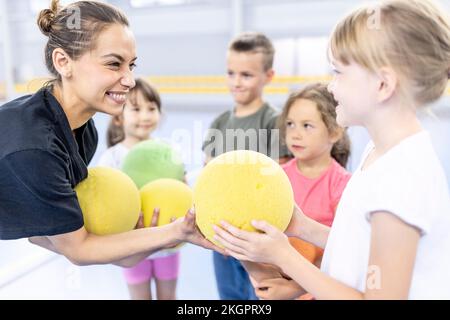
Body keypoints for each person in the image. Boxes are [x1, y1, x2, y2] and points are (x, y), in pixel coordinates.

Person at [213, 0, 450, 299]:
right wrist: (301, 227)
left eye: (339, 72)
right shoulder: (381, 153)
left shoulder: (402, 178)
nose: (331, 86)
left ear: (383, 85)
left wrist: (285, 257)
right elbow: (359, 246)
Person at [0, 0, 220, 267]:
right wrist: (173, 231)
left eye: (131, 65)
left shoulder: (84, 131)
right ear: (63, 62)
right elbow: (78, 249)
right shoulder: (37, 148)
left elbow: (44, 232)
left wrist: (148, 239)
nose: (130, 80)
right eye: (114, 64)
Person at [201, 32, 290, 300]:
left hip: (259, 239)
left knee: (260, 296)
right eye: (231, 73)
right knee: (229, 297)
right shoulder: (219, 123)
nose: (236, 82)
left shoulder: (273, 121)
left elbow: (281, 179)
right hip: (222, 236)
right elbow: (208, 176)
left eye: (246, 75)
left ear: (269, 76)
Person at [243, 83, 351, 300]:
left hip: (318, 290)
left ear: (335, 131)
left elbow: (344, 251)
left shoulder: (342, 185)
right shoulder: (274, 176)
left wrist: (298, 288)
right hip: (271, 286)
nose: (295, 134)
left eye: (307, 126)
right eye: (290, 124)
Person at [98, 78, 181, 300]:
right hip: (132, 245)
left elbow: (181, 190)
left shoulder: (168, 151)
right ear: (118, 117)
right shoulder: (112, 158)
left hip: (167, 242)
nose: (145, 116)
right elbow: (104, 205)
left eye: (151, 108)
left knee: (168, 297)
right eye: (136, 109)